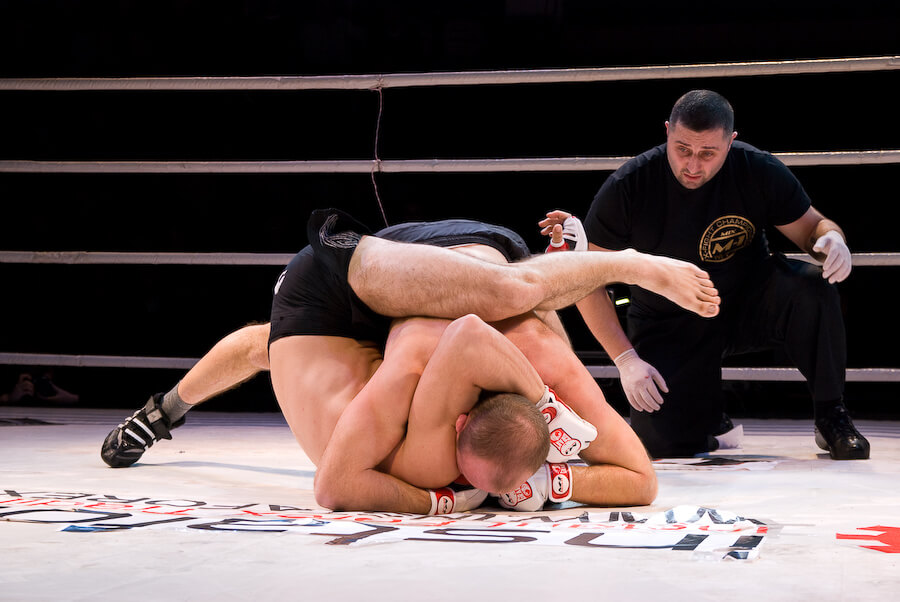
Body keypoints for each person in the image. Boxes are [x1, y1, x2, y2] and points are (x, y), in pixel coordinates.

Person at [102, 210, 717, 512]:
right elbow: (468, 334)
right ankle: (628, 262)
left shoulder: (465, 397)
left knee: (270, 346)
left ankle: (159, 413)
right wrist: (442, 501)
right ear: (460, 420)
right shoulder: (443, 377)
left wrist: (553, 481)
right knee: (509, 295)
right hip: (352, 276)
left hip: (340, 313)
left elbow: (642, 482)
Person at [540, 89, 868, 460]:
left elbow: (812, 228)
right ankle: (707, 419)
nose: (693, 165)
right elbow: (586, 279)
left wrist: (832, 240)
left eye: (708, 153)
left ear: (731, 141)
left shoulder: (756, 168)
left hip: (747, 304)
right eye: (682, 149)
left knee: (811, 285)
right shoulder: (629, 186)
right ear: (667, 131)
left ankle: (831, 414)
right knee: (661, 444)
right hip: (669, 320)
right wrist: (625, 359)